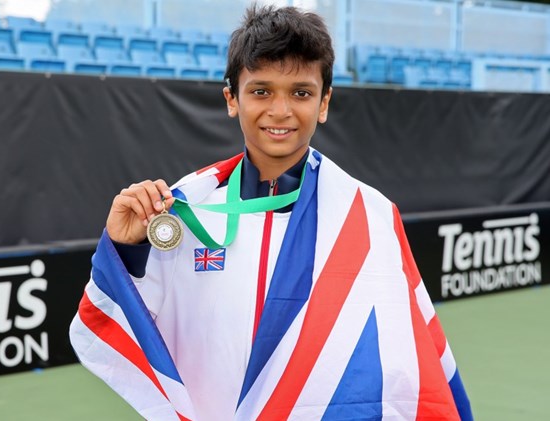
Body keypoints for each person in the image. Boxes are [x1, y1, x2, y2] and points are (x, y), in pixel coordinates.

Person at [70, 5, 472, 420]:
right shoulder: (184, 211)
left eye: (301, 93)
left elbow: (411, 356)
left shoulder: (369, 216)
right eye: (261, 91)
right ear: (232, 99)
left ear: (324, 102)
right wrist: (127, 249)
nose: (280, 111)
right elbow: (122, 323)